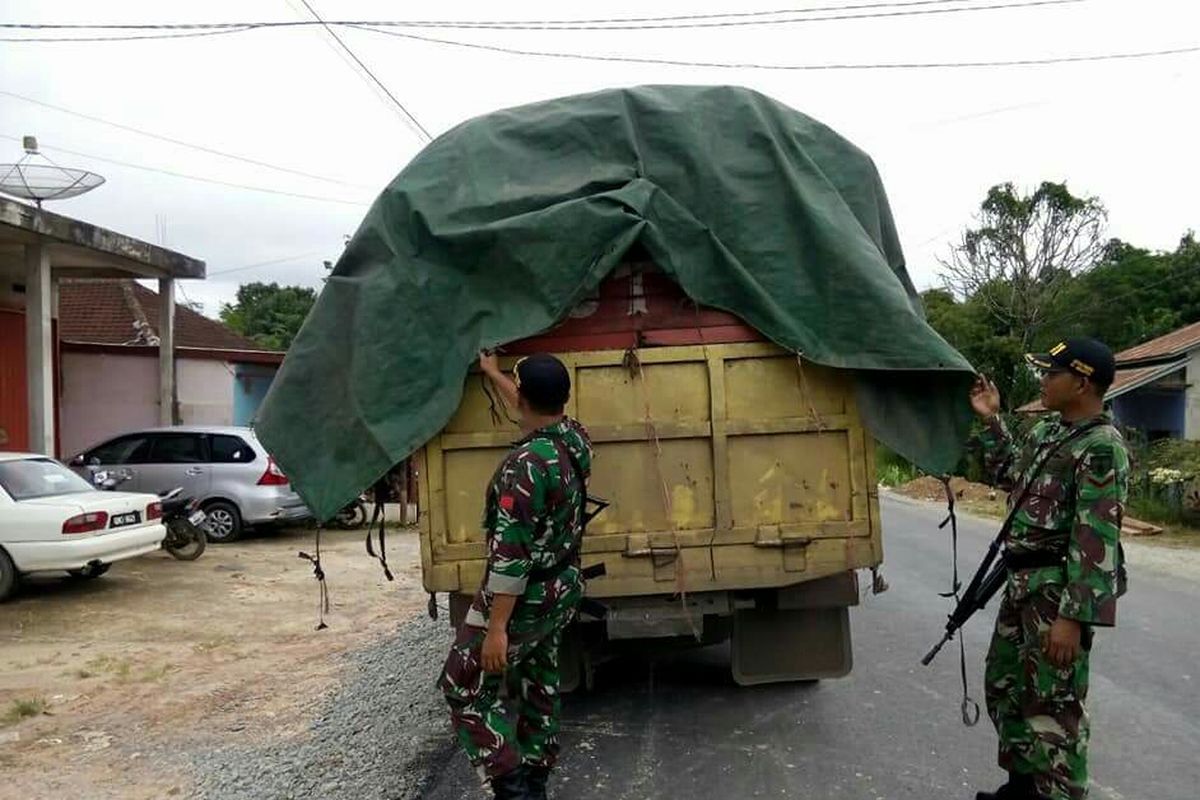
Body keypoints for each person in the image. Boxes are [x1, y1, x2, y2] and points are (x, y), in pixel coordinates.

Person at [969, 338, 1130, 800]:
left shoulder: (1102, 448)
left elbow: (1096, 539)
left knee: (1054, 709)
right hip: (1021, 586)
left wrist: (1072, 618)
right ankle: (1024, 786)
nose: (1043, 379)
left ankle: (1058, 792)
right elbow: (1009, 478)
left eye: (1051, 373)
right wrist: (991, 419)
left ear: (1081, 383)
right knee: (1006, 690)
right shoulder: (1048, 433)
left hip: (1055, 595)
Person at [439, 351, 593, 800]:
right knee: (539, 681)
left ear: (523, 398)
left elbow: (511, 558)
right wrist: (495, 374)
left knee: (462, 687)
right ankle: (538, 777)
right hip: (560, 586)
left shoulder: (526, 465)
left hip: (522, 597)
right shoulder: (574, 439)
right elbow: (537, 408)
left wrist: (497, 630)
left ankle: (514, 788)